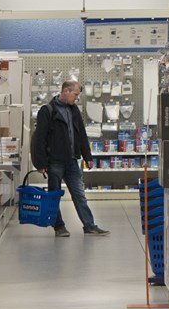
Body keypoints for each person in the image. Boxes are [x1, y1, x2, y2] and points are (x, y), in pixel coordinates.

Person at [31, 81, 110, 237]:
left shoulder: (74, 111)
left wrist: (87, 156)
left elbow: (81, 135)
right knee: (54, 196)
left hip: (72, 161)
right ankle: (59, 226)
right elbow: (39, 139)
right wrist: (40, 163)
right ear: (65, 91)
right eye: (75, 94)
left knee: (79, 194)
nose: (77, 98)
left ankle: (89, 225)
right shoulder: (47, 111)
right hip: (54, 162)